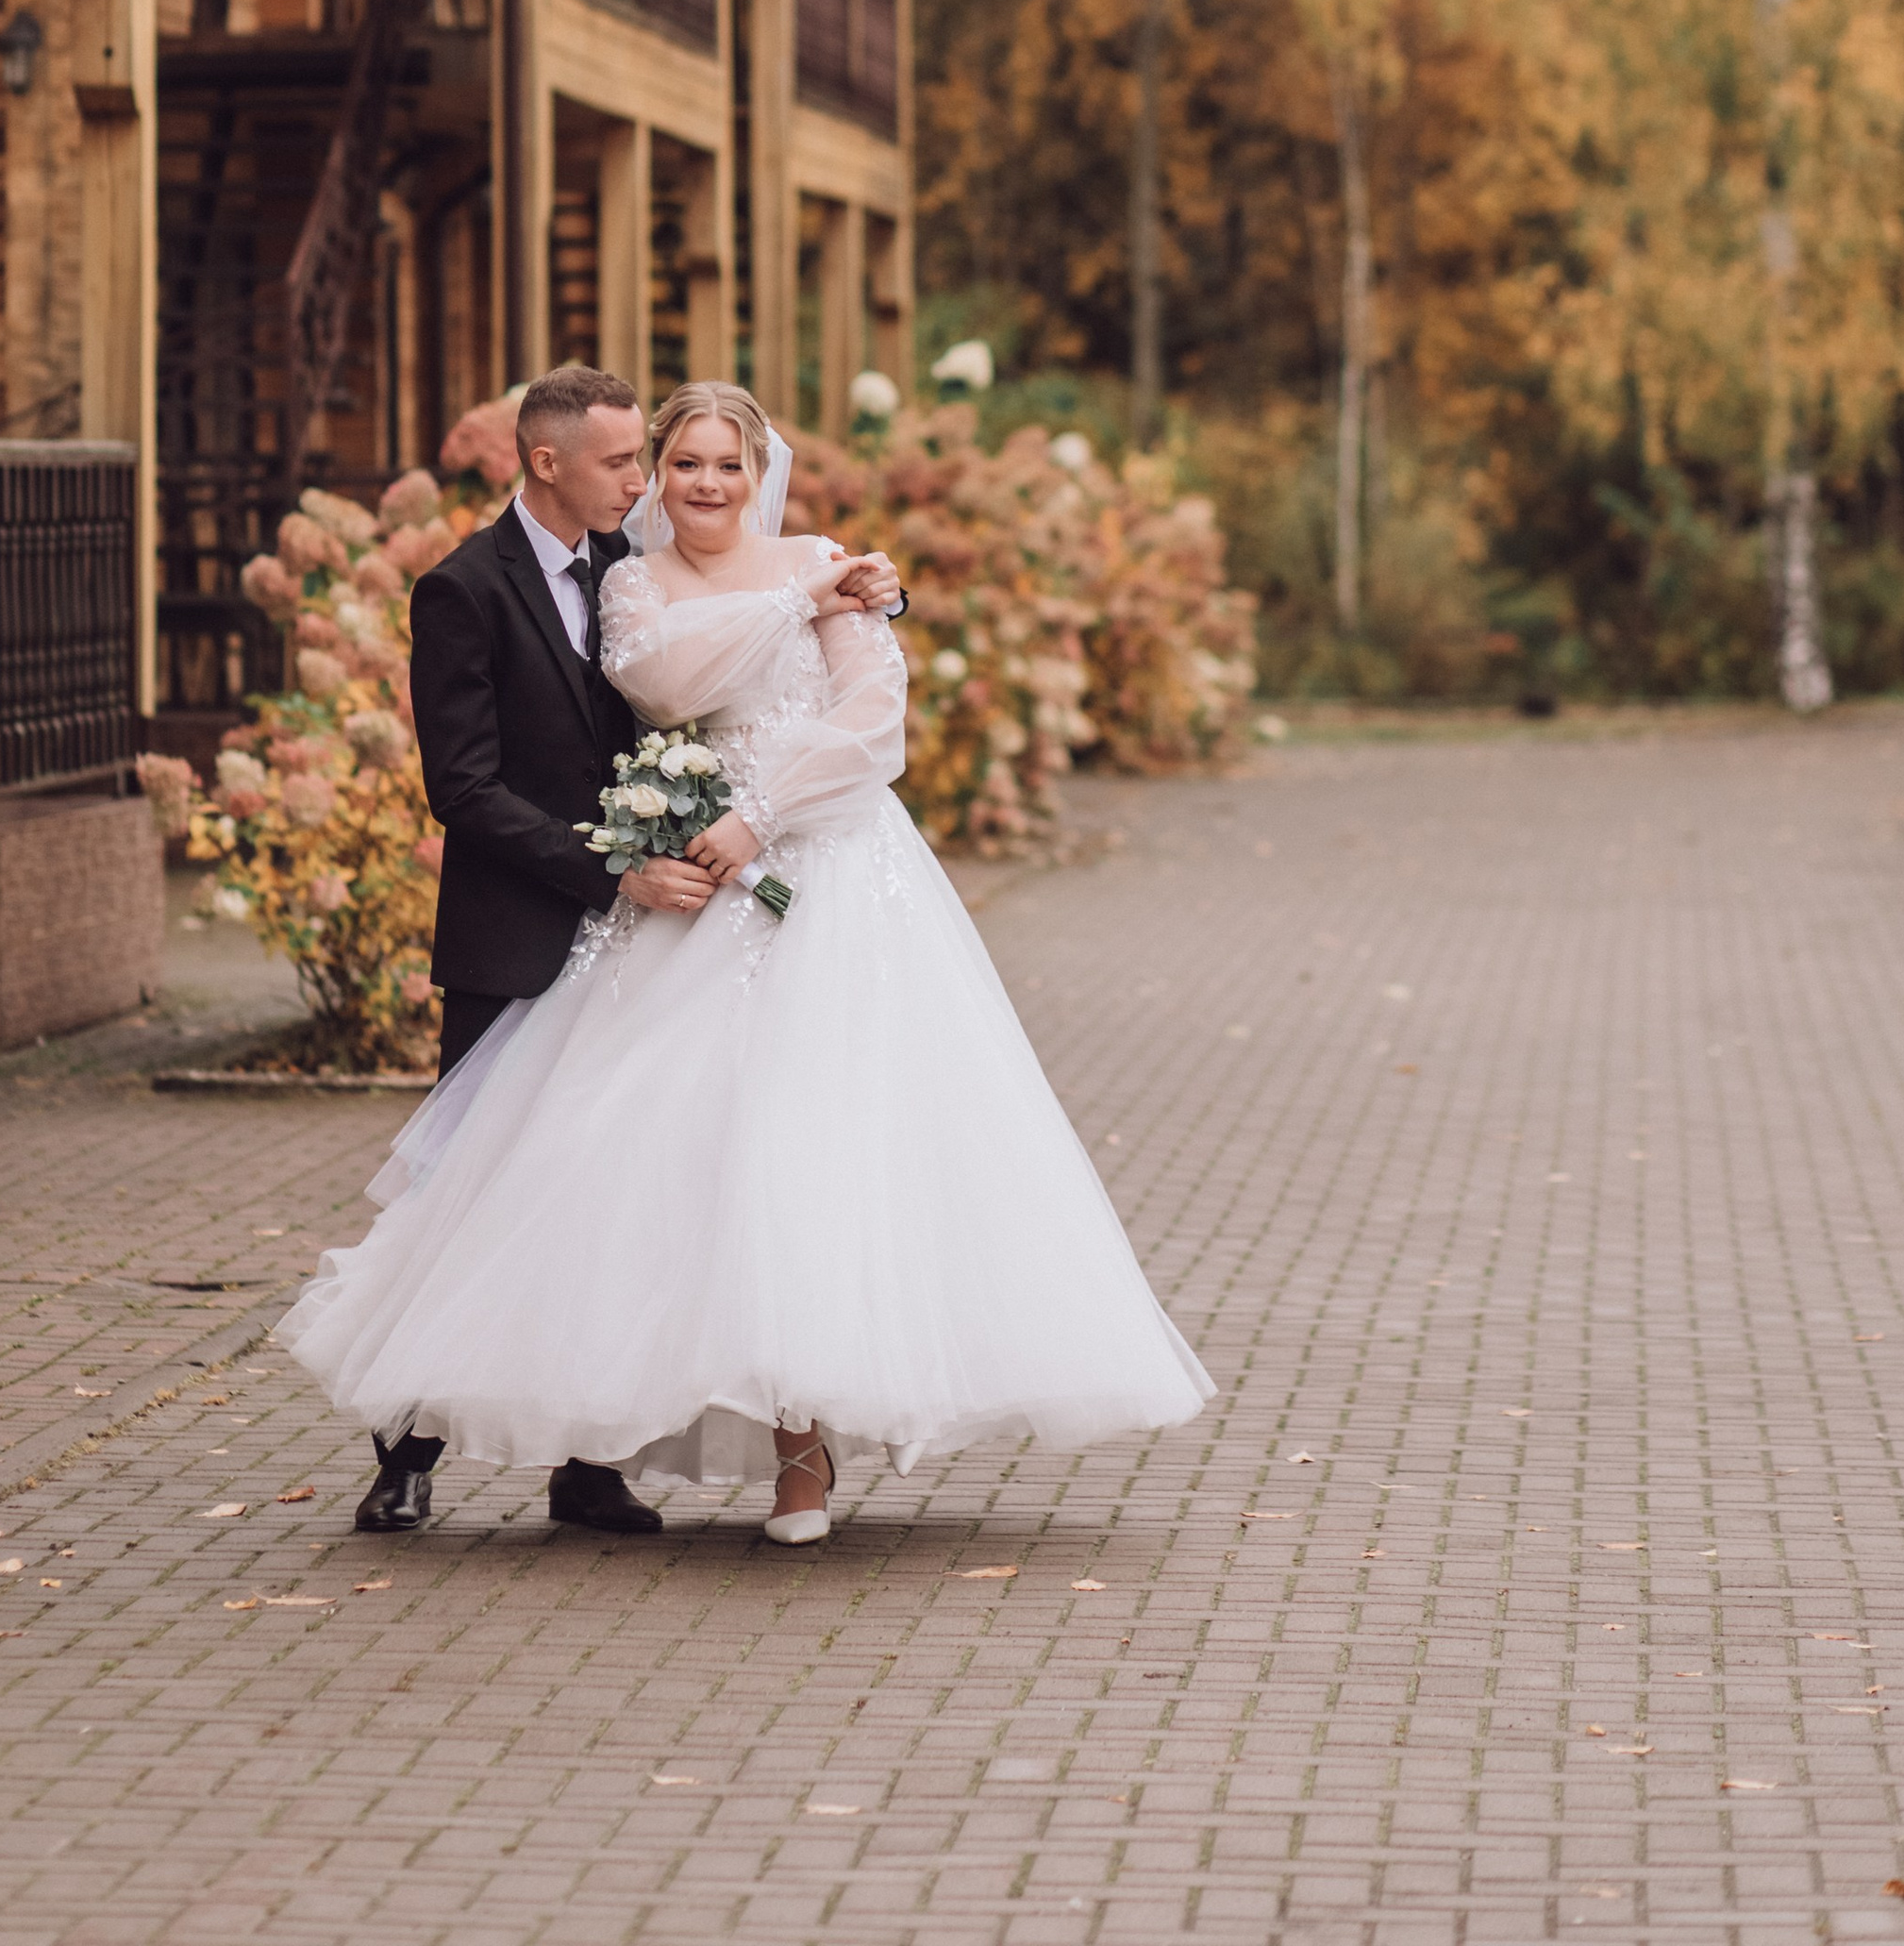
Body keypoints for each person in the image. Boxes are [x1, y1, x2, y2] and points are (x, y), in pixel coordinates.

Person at [280, 377, 1212, 1544]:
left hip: (781, 874)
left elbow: (872, 711)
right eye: (655, 464)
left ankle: (605, 1460)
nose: (668, 483)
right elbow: (526, 753)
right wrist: (799, 609)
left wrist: (842, 607)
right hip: (572, 902)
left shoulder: (746, 557)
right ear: (552, 462)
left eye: (701, 463)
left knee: (717, 1162)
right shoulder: (515, 582)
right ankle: (408, 1453)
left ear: (757, 468)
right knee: (496, 1174)